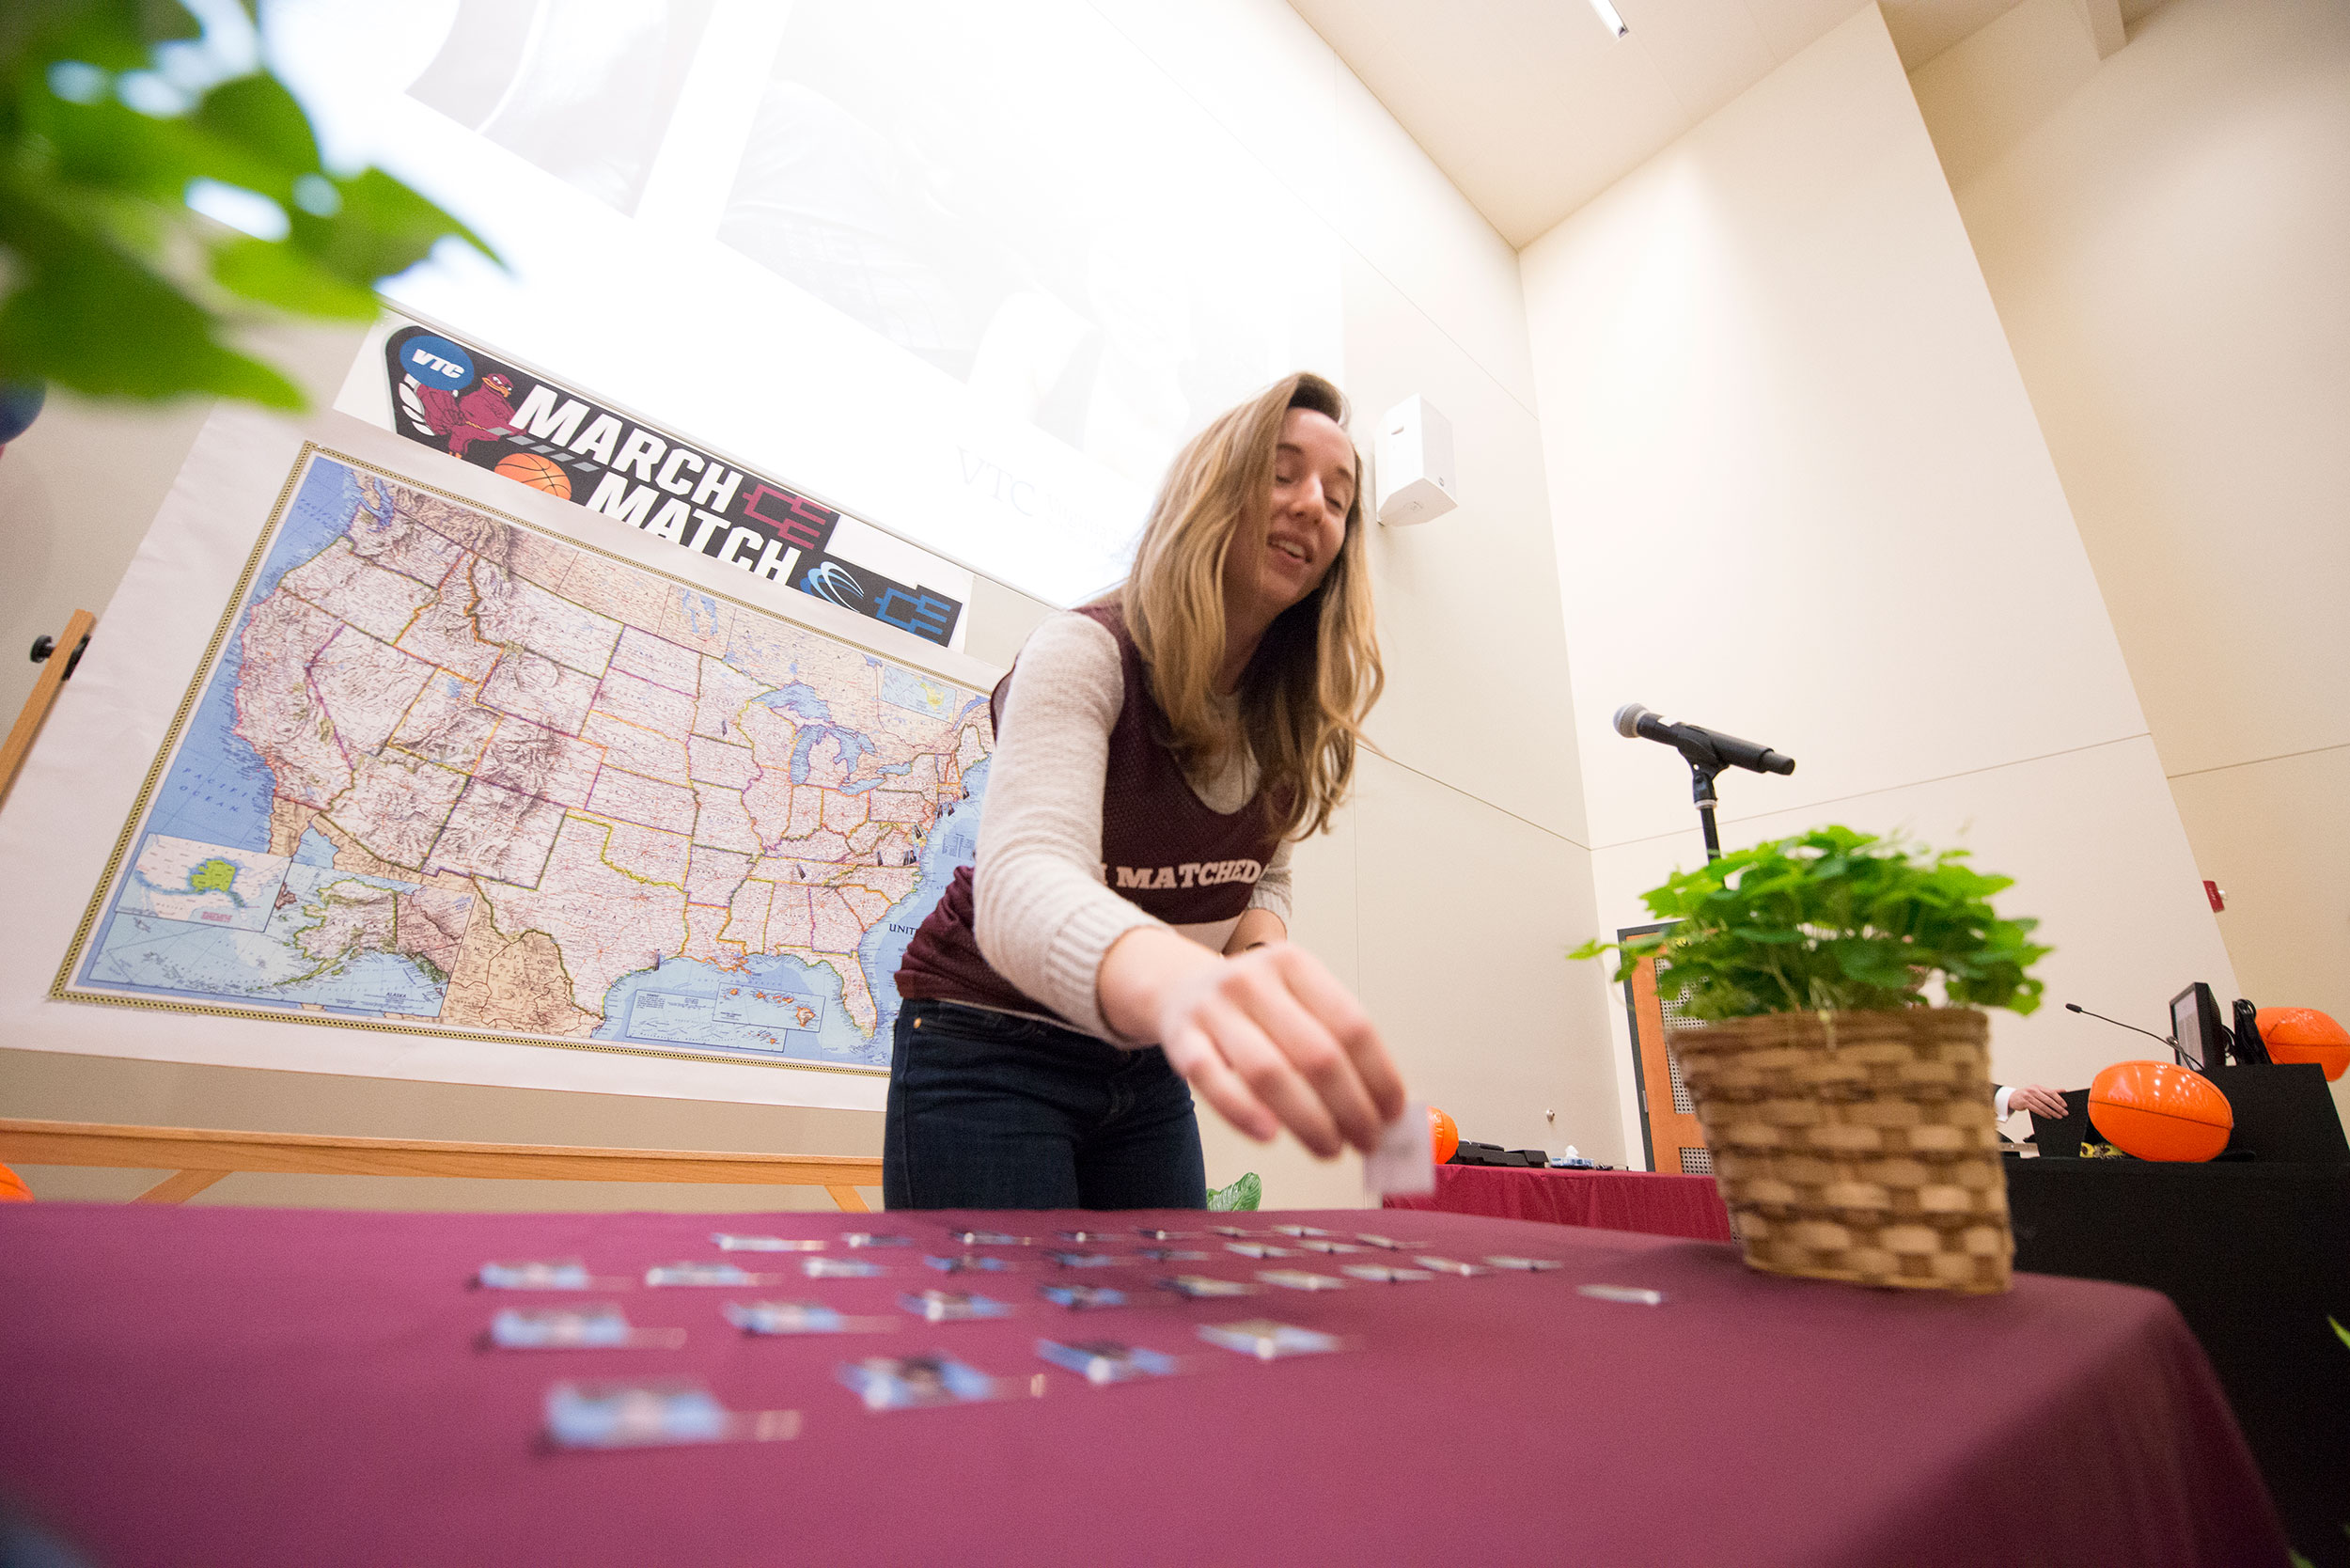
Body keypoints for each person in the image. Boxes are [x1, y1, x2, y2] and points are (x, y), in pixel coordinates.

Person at [887, 372, 1406, 1210]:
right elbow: (1023, 886)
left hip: (1146, 1066)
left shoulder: (1287, 710)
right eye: (1282, 473)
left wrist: (1259, 964)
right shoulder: (1083, 652)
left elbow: (1260, 875)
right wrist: (1187, 986)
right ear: (1211, 490)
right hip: (988, 1046)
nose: (1315, 506)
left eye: (1340, 499)